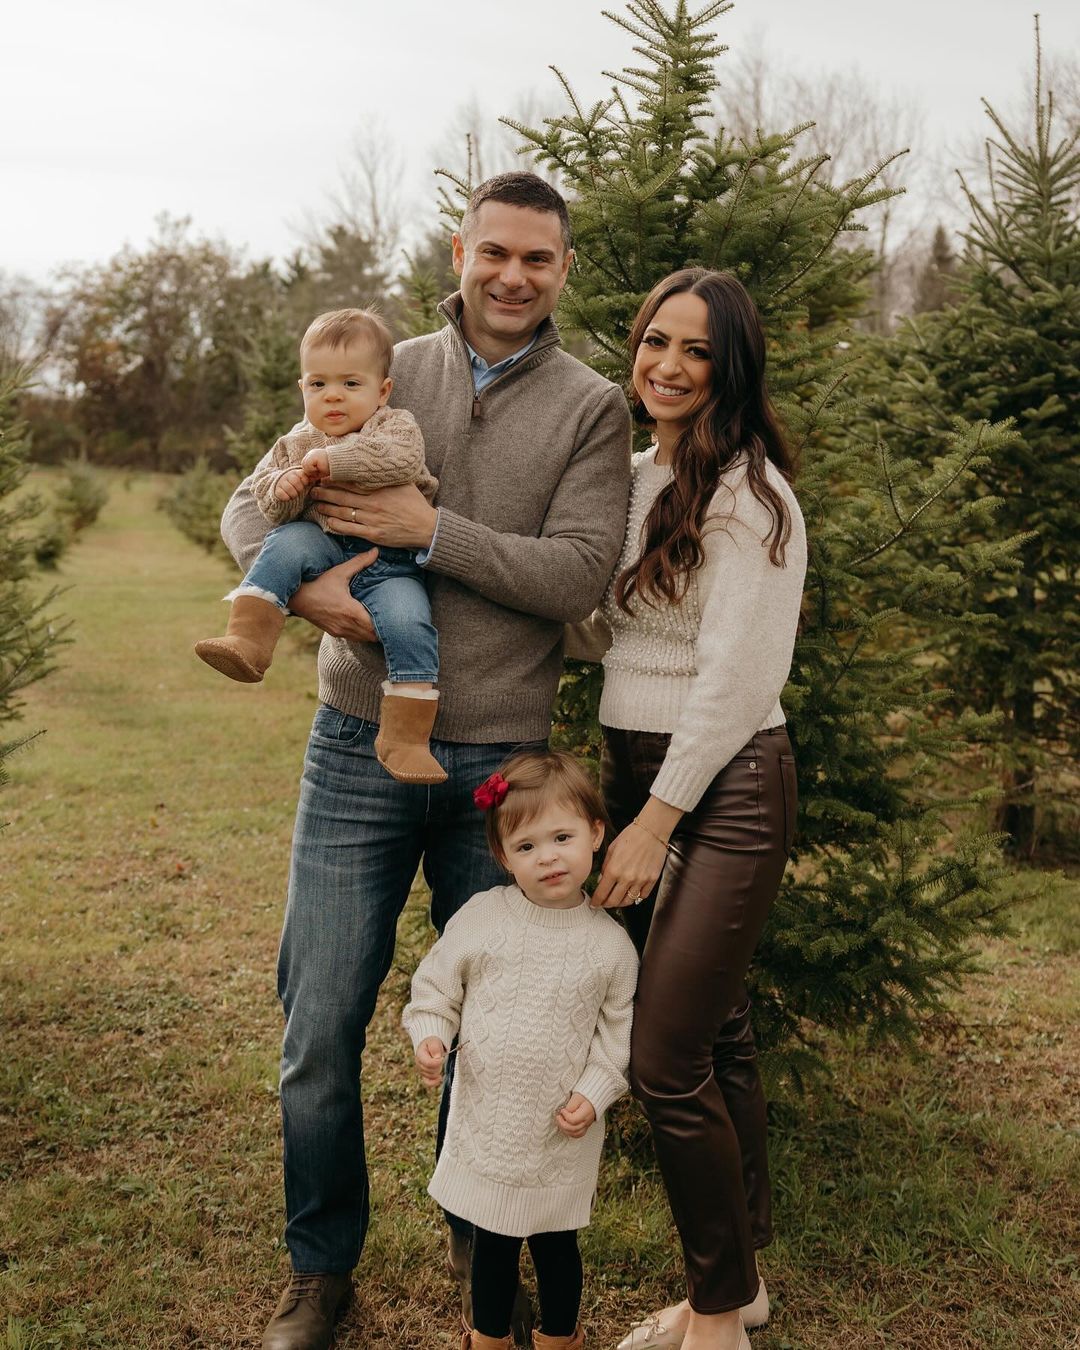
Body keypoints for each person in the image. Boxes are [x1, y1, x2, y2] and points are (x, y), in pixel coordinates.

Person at [218, 172, 631, 1350]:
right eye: (495, 252)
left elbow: (578, 574)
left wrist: (430, 533)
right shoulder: (378, 370)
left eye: (538, 259)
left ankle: (479, 1231)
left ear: (562, 269)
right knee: (320, 1018)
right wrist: (312, 597)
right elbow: (249, 511)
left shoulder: (591, 407)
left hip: (502, 770)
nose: (513, 276)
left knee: (499, 1022)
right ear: (461, 252)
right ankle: (319, 1267)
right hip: (357, 743)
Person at [568, 269, 806, 1350]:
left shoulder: (752, 498)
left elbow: (736, 681)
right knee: (719, 1034)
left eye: (697, 350)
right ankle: (741, 1282)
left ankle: (716, 1317)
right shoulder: (631, 478)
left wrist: (655, 822)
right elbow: (602, 629)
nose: (667, 365)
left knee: (665, 1059)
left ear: (732, 367)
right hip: (632, 763)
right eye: (655, 341)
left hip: (729, 782)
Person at [403, 749, 639, 1350]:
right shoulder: (484, 918)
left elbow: (616, 1038)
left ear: (595, 834)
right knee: (493, 1243)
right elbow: (437, 986)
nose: (548, 857)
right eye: (527, 846)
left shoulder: (610, 948)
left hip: (560, 1135)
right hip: (490, 1126)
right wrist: (432, 1033)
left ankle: (560, 1338)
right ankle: (488, 1340)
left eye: (562, 837)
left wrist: (594, 1094)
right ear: (504, 856)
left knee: (557, 1245)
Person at [196, 306, 447, 784]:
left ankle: (406, 737)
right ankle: (248, 640)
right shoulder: (296, 441)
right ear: (303, 389)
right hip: (322, 545)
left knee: (410, 622)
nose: (333, 395)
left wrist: (332, 461)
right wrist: (284, 488)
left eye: (350, 384)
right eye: (318, 384)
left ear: (382, 391)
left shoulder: (395, 425)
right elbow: (267, 503)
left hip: (392, 565)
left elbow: (399, 460)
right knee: (287, 542)